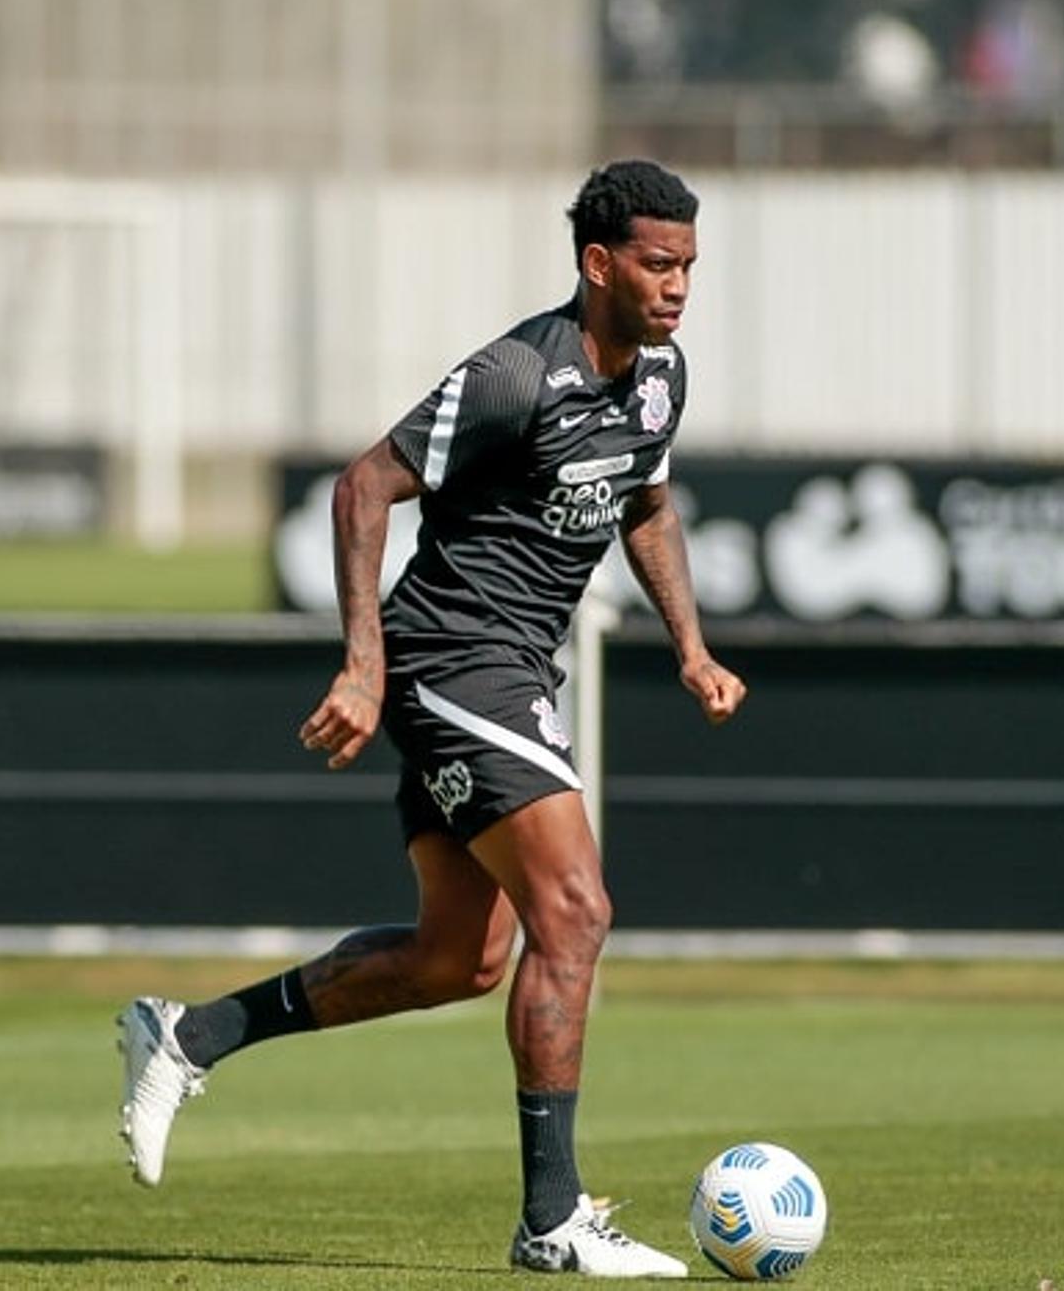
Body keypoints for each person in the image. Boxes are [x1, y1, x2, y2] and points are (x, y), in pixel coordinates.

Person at [117, 159, 746, 1279]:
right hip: (454, 661)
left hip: (510, 672)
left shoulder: (659, 381)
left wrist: (692, 647)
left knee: (460, 959)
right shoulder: (516, 373)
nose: (679, 287)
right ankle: (552, 1221)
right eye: (658, 264)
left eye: (690, 265)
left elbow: (645, 500)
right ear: (597, 263)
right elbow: (363, 485)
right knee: (577, 909)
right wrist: (363, 662)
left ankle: (189, 1033)